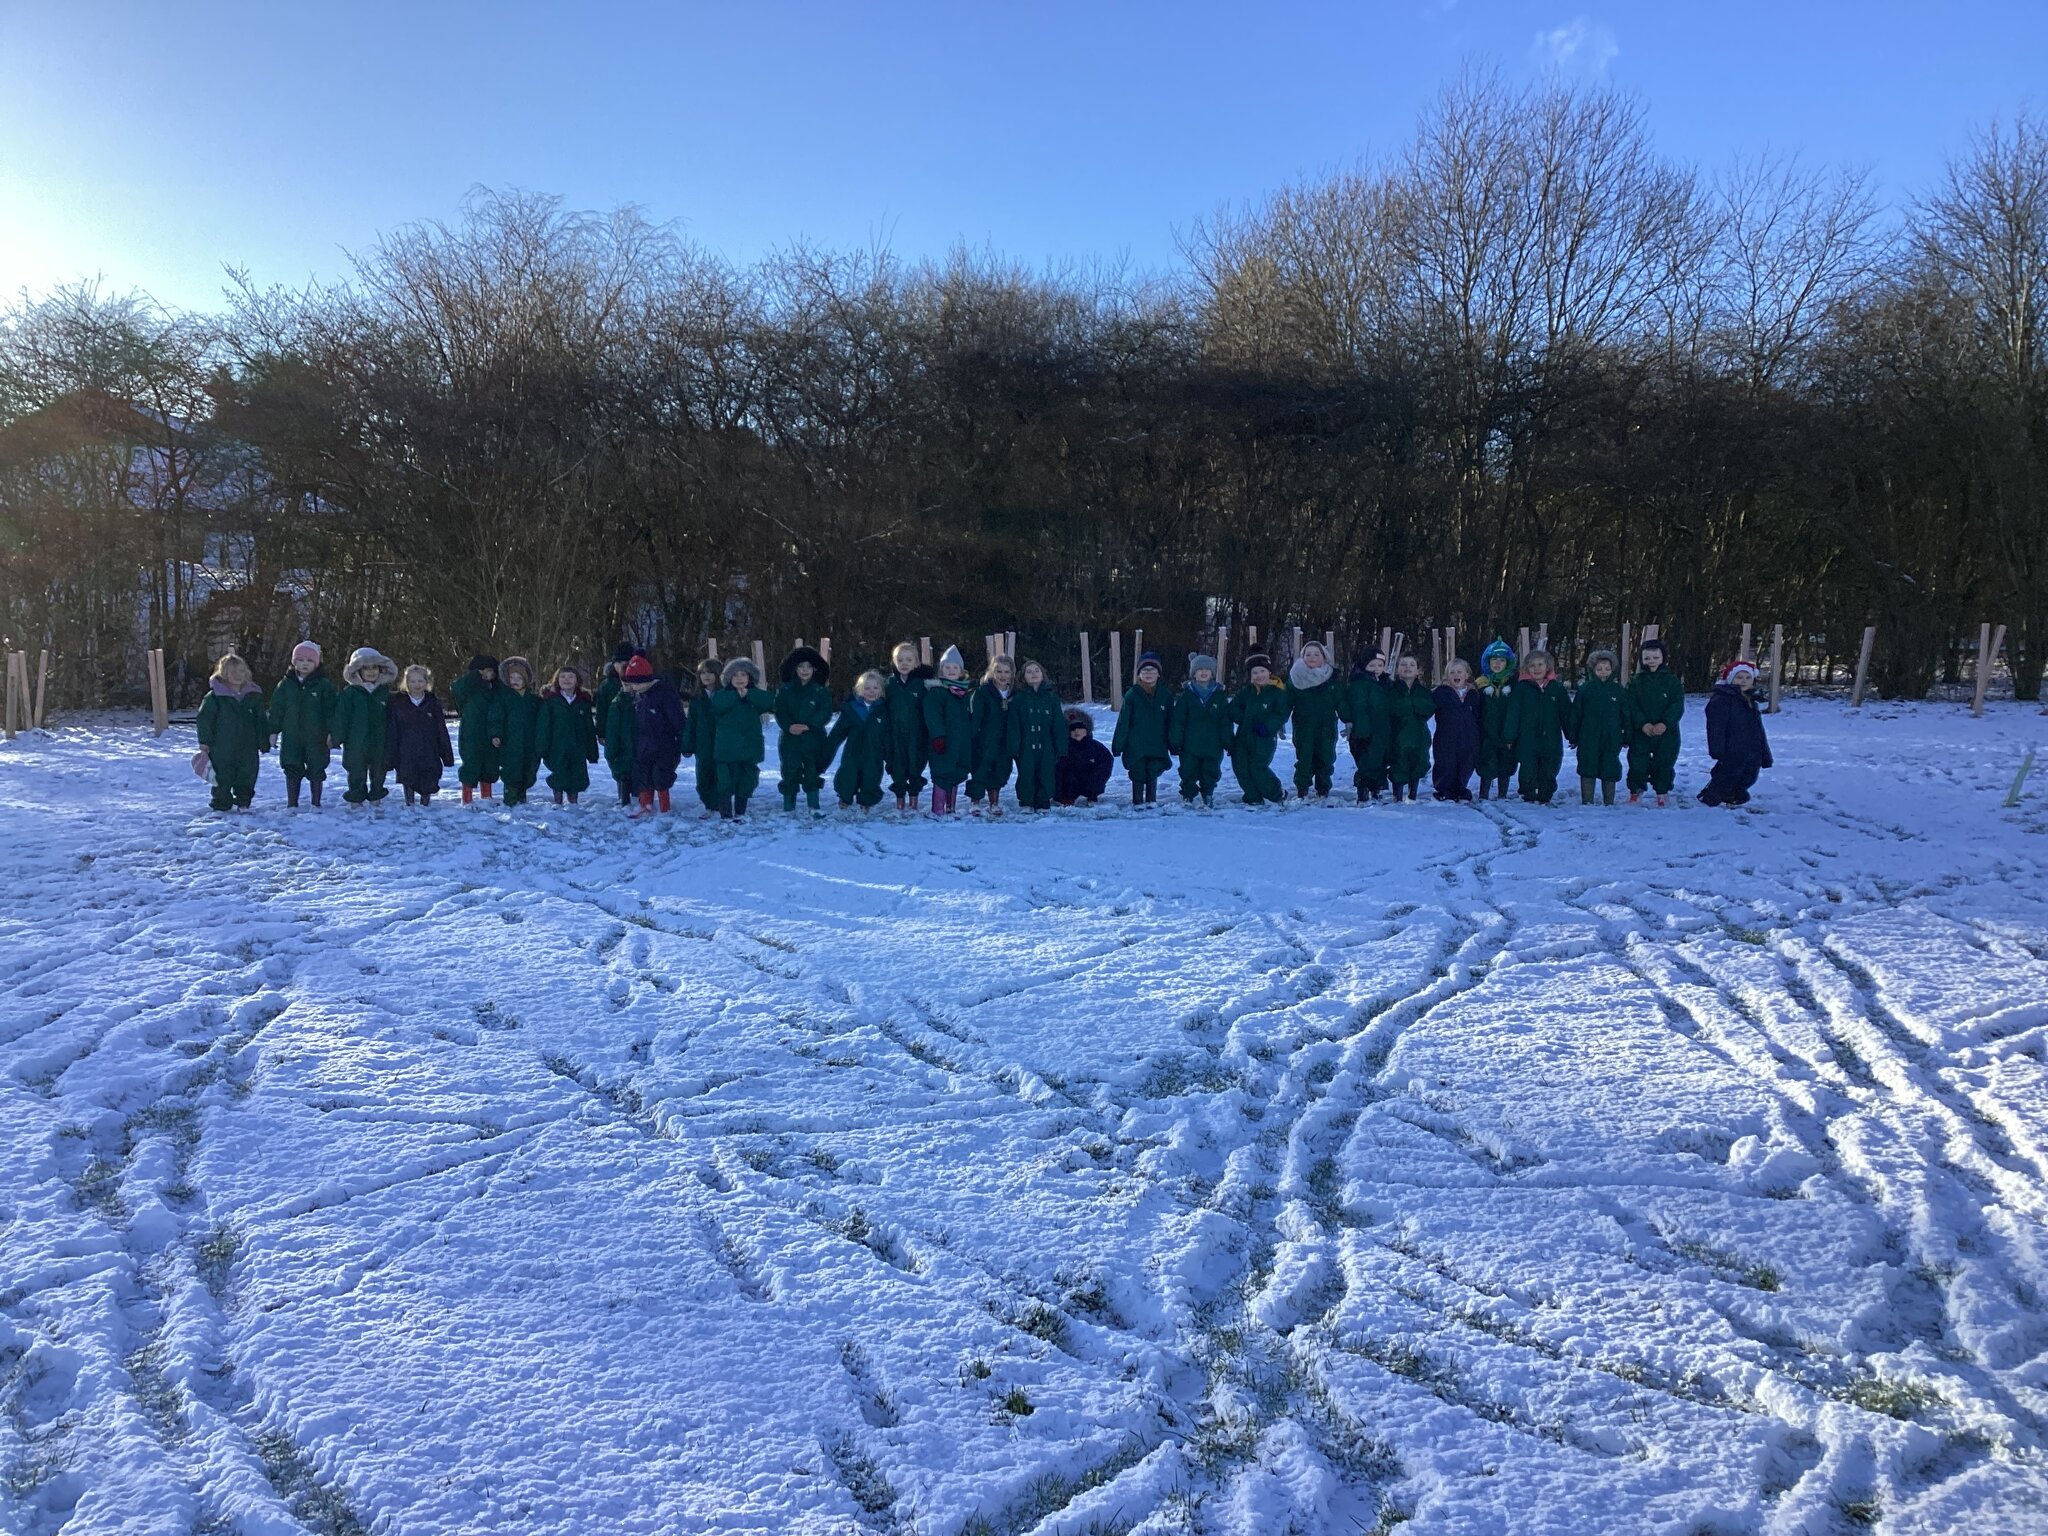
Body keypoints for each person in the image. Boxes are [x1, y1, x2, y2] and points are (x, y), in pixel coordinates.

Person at [193, 653, 268, 812]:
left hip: (248, 745)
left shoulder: (253, 696)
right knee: (222, 775)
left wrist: (263, 740)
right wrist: (205, 741)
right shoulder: (215, 697)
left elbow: (260, 720)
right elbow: (204, 719)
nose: (238, 676)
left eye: (241, 671)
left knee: (247, 773)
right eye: (232, 672)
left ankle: (243, 802)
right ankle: (221, 803)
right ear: (223, 674)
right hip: (222, 745)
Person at [614, 654, 686, 817]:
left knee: (661, 777)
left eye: (638, 683)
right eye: (633, 683)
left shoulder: (665, 695)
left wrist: (682, 741)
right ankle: (644, 804)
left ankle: (664, 806)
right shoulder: (639, 697)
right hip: (644, 744)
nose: (636, 687)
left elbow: (678, 720)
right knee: (643, 775)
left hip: (665, 745)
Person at [268, 640, 337, 808]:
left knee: (316, 766)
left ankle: (316, 801)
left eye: (309, 661)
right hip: (292, 735)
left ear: (316, 663)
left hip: (316, 737)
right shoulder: (286, 685)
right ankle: (292, 802)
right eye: (300, 660)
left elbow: (331, 710)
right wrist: (273, 731)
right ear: (294, 662)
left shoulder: (323, 685)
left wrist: (331, 732)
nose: (304, 664)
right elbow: (277, 709)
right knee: (292, 766)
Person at [708, 656, 776, 819]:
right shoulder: (721, 695)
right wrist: (737, 696)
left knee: (747, 781)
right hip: (726, 749)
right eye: (735, 675)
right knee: (725, 781)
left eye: (743, 675)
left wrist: (749, 695)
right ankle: (725, 812)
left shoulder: (755, 696)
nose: (739, 678)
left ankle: (740, 811)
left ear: (750, 678)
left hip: (749, 748)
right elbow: (717, 706)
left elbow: (771, 703)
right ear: (729, 678)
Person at [1700, 660, 1772, 806]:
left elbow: (1758, 729)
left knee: (1749, 774)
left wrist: (1764, 751)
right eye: (1739, 677)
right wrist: (1717, 749)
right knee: (1727, 774)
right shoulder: (1722, 700)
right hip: (1732, 747)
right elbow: (1716, 727)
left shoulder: (1751, 701)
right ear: (1730, 679)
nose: (1743, 681)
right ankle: (1711, 797)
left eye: (1747, 678)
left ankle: (1734, 795)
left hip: (1752, 748)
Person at [1504, 650, 1572, 805]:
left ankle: (1545, 793)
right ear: (1527, 668)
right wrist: (1509, 736)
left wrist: (1571, 734)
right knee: (1528, 768)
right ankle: (1528, 792)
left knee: (1550, 768)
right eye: (1532, 665)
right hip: (1527, 738)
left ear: (1547, 666)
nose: (1537, 668)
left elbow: (1566, 714)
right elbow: (1513, 714)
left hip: (1551, 739)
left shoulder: (1556, 689)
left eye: (1540, 664)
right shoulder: (1521, 689)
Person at [331, 647, 398, 805]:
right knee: (355, 769)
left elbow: (393, 718)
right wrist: (336, 737)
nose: (371, 672)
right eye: (366, 668)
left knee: (379, 769)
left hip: (379, 740)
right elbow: (342, 717)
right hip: (355, 740)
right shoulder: (350, 693)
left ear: (381, 669)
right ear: (357, 671)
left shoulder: (385, 693)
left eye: (374, 667)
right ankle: (356, 795)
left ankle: (376, 794)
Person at [775, 645, 833, 816]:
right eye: (801, 666)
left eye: (808, 666)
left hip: (813, 737)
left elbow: (825, 712)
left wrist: (811, 725)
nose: (805, 670)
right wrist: (788, 726)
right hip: (790, 738)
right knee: (790, 769)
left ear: (815, 669)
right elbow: (780, 711)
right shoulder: (785, 690)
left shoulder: (821, 691)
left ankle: (813, 804)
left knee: (812, 769)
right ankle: (788, 803)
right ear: (794, 668)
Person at [1169, 652, 1233, 807]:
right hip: (1190, 745)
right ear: (1193, 674)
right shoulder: (1187, 696)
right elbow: (1178, 721)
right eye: (1199, 670)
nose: (1203, 672)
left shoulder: (1219, 696)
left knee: (1210, 771)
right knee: (1188, 771)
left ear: (1212, 673)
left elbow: (1225, 722)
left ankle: (1208, 793)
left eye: (1207, 669)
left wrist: (1228, 741)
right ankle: (1188, 795)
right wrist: (1175, 740)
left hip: (1213, 744)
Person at [1626, 637, 1683, 806]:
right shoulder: (1636, 681)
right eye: (1647, 658)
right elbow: (1631, 705)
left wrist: (1665, 723)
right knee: (1637, 762)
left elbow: (1677, 705)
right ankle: (1635, 792)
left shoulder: (1672, 681)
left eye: (1656, 658)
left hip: (1667, 732)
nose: (1651, 661)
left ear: (1663, 658)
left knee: (1664, 763)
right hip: (1641, 731)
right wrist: (1642, 723)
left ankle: (1662, 793)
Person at [1110, 651, 1172, 806]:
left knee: (1153, 770)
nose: (1148, 673)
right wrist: (1118, 744)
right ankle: (1137, 800)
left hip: (1158, 743)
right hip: (1136, 744)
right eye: (1145, 670)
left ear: (1159, 674)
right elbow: (1123, 722)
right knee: (1138, 771)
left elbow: (1172, 721)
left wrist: (1174, 742)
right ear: (1139, 674)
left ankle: (1151, 800)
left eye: (1152, 670)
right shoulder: (1132, 695)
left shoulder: (1165, 695)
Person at [387, 664, 454, 806]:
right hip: (406, 748)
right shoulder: (399, 703)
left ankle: (425, 801)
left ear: (426, 682)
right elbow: (393, 729)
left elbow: (441, 729)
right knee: (408, 775)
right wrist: (391, 756)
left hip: (429, 748)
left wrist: (446, 754)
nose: (416, 685)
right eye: (412, 681)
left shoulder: (432, 703)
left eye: (420, 681)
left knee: (428, 776)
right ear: (406, 683)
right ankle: (409, 802)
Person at [1006, 659, 1068, 812]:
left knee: (1046, 772)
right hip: (1026, 744)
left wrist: (1061, 746)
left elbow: (1058, 723)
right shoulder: (1018, 699)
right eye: (1029, 671)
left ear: (1043, 674)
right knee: (1026, 773)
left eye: (1036, 671)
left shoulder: (1051, 698)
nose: (1033, 674)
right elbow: (1014, 725)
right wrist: (1014, 747)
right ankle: (1027, 801)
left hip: (1046, 743)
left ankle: (1043, 800)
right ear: (1023, 677)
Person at [826, 670, 891, 811]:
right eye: (867, 688)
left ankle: (866, 801)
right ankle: (845, 798)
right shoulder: (852, 709)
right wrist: (828, 746)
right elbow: (838, 732)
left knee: (871, 778)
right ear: (859, 690)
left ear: (881, 690)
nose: (871, 692)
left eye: (875, 688)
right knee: (848, 775)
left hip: (874, 753)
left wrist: (890, 755)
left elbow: (887, 736)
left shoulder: (884, 711)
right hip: (852, 752)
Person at [1230, 653, 1290, 807]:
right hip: (1243, 736)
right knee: (1241, 766)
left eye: (1262, 671)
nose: (1259, 676)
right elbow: (1234, 707)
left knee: (1258, 767)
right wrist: (1242, 718)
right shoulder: (1246, 692)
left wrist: (1268, 726)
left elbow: (1281, 713)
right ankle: (1252, 796)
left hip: (1264, 738)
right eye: (1255, 673)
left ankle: (1276, 792)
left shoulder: (1277, 692)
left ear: (1269, 672)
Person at [536, 664, 600, 805]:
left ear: (577, 680)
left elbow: (589, 727)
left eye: (571, 677)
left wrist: (592, 751)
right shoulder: (550, 701)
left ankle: (573, 801)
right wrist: (542, 747)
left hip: (578, 745)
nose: (567, 680)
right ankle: (557, 801)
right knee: (559, 774)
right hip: (557, 745)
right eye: (563, 677)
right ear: (556, 680)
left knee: (577, 774)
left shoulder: (583, 701)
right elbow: (544, 726)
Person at [1572, 647, 1628, 806]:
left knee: (1610, 766)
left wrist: (1627, 736)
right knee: (1587, 765)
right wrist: (1573, 736)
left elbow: (1626, 715)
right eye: (1599, 669)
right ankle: (1587, 799)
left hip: (1612, 736)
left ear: (1613, 669)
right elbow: (1576, 714)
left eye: (1607, 669)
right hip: (1588, 736)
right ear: (1592, 669)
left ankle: (1609, 800)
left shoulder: (1618, 691)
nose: (1603, 672)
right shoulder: (1585, 690)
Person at [922, 646, 974, 815]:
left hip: (961, 741)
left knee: (957, 771)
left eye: (955, 667)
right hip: (943, 741)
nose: (951, 670)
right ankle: (938, 808)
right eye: (947, 667)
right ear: (941, 671)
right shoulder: (937, 692)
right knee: (942, 773)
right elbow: (933, 716)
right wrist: (938, 735)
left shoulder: (963, 693)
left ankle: (951, 807)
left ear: (961, 671)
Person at [885, 641, 935, 811]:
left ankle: (914, 796)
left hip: (917, 733)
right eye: (900, 660)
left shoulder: (922, 684)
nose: (904, 664)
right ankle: (900, 797)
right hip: (895, 733)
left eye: (908, 660)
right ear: (894, 662)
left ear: (916, 663)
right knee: (897, 766)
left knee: (916, 765)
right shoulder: (889, 684)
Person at [1288, 640, 1341, 799]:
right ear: (1302, 657)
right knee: (1304, 758)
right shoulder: (1295, 677)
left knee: (1326, 757)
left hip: (1327, 726)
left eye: (1316, 654)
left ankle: (1323, 788)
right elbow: (1285, 701)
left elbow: (1341, 702)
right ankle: (1302, 788)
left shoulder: (1332, 678)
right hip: (1304, 725)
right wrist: (1278, 722)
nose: (1312, 657)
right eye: (1308, 654)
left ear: (1324, 658)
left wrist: (1350, 720)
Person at [1340, 647, 1391, 802]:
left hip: (1382, 730)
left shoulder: (1385, 683)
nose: (1376, 669)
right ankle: (1363, 787)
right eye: (1372, 665)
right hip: (1365, 731)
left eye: (1380, 665)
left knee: (1380, 760)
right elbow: (1359, 707)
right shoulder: (1359, 684)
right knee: (1367, 761)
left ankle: (1376, 788)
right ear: (1364, 666)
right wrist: (1360, 729)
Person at [967, 654, 1017, 814]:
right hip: (985, 739)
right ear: (992, 672)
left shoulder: (1014, 695)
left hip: (1005, 740)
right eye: (999, 671)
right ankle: (975, 801)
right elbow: (975, 718)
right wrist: (973, 736)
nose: (1003, 676)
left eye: (1006, 672)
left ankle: (994, 802)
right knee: (980, 769)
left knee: (1000, 769)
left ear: (1012, 674)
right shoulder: (982, 693)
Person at [451, 654, 502, 804]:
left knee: (490, 763)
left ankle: (486, 795)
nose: (487, 674)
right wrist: (474, 676)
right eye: (483, 671)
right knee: (471, 762)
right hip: (471, 730)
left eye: (491, 671)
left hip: (492, 730)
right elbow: (456, 690)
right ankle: (467, 796)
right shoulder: (469, 687)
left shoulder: (497, 689)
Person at [1430, 659, 1482, 802]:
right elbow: (1428, 709)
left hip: (1468, 737)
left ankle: (1460, 788)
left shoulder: (1474, 694)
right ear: (1447, 676)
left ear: (1467, 675)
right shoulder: (1440, 693)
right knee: (1446, 763)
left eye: (1459, 672)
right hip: (1446, 737)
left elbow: (1479, 715)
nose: (1456, 675)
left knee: (1466, 763)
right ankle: (1444, 789)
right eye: (1452, 672)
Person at [495, 657, 543, 808]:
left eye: (519, 678)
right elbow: (496, 718)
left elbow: (543, 717)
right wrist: (496, 734)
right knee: (511, 772)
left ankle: (522, 798)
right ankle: (510, 800)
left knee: (528, 770)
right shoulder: (503, 698)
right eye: (512, 677)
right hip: (510, 742)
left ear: (526, 680)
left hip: (530, 741)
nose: (515, 681)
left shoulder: (533, 700)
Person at [1386, 654, 1434, 801]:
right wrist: (1409, 707)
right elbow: (1391, 708)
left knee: (1418, 763)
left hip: (1419, 735)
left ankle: (1412, 794)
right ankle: (1397, 796)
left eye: (1412, 665)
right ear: (1397, 670)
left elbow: (1429, 708)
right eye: (1403, 664)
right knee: (1398, 763)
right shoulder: (1391, 690)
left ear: (1418, 670)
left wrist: (1414, 706)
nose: (1407, 667)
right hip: (1398, 735)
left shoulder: (1423, 692)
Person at [1474, 638, 1517, 801]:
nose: (1497, 663)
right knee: (1487, 761)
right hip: (1486, 732)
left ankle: (1502, 793)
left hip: (1506, 731)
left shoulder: (1513, 685)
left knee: (1506, 762)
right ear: (1487, 661)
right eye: (1494, 660)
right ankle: (1483, 793)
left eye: (1501, 660)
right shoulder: (1481, 684)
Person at [1055, 708, 1113, 806]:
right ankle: (1066, 798)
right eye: (1072, 728)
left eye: (1080, 727)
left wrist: (1096, 780)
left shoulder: (1095, 747)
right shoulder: (1064, 748)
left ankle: (1092, 796)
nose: (1076, 731)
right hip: (1070, 785)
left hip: (1089, 782)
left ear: (1087, 730)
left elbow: (1106, 761)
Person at [688, 657, 723, 814]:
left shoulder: (725, 696)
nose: (706, 676)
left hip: (722, 743)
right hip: (702, 745)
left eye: (710, 672)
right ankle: (709, 803)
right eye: (703, 673)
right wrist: (687, 744)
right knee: (703, 776)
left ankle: (719, 803)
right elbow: (691, 724)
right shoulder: (697, 699)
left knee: (721, 775)